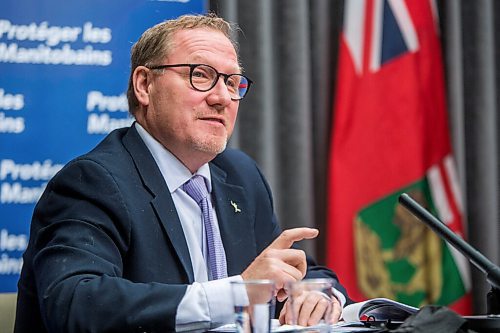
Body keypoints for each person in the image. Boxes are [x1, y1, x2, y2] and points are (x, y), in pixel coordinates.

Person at [14, 13, 349, 333]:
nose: (222, 98)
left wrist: (314, 296)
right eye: (200, 75)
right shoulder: (93, 182)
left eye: (233, 82)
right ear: (144, 85)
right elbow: (75, 304)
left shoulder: (240, 176)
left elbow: (288, 270)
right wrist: (237, 293)